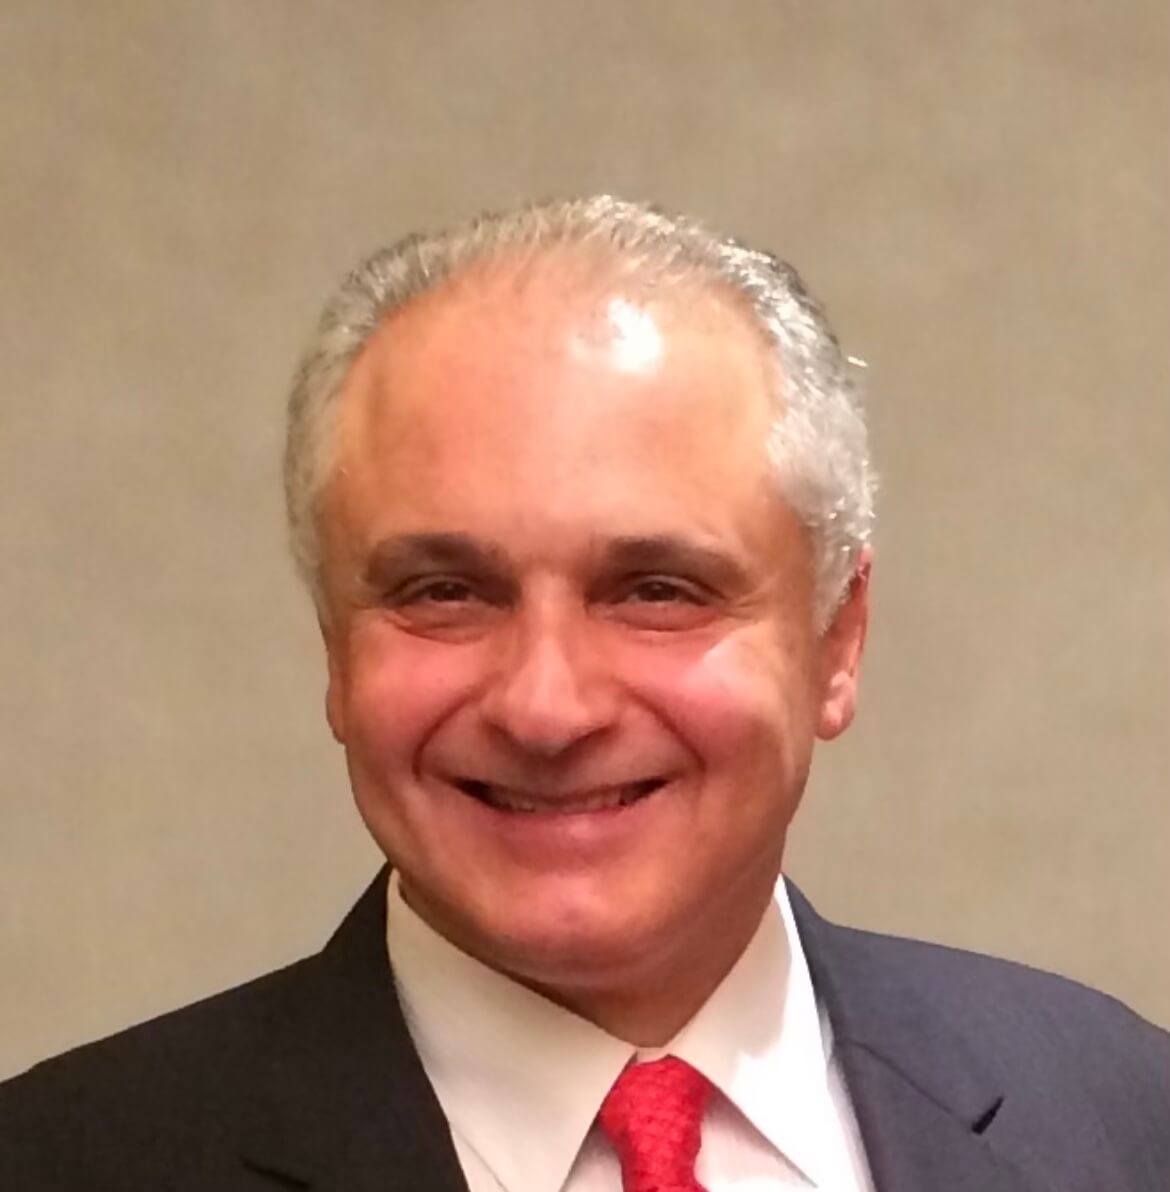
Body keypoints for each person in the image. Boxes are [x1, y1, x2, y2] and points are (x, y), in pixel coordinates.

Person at [1, 195, 1166, 1191]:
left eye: (656, 589)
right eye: (446, 591)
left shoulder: (1122, 1120)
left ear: (836, 639)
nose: (546, 707)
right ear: (335, 647)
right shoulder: (60, 1160)